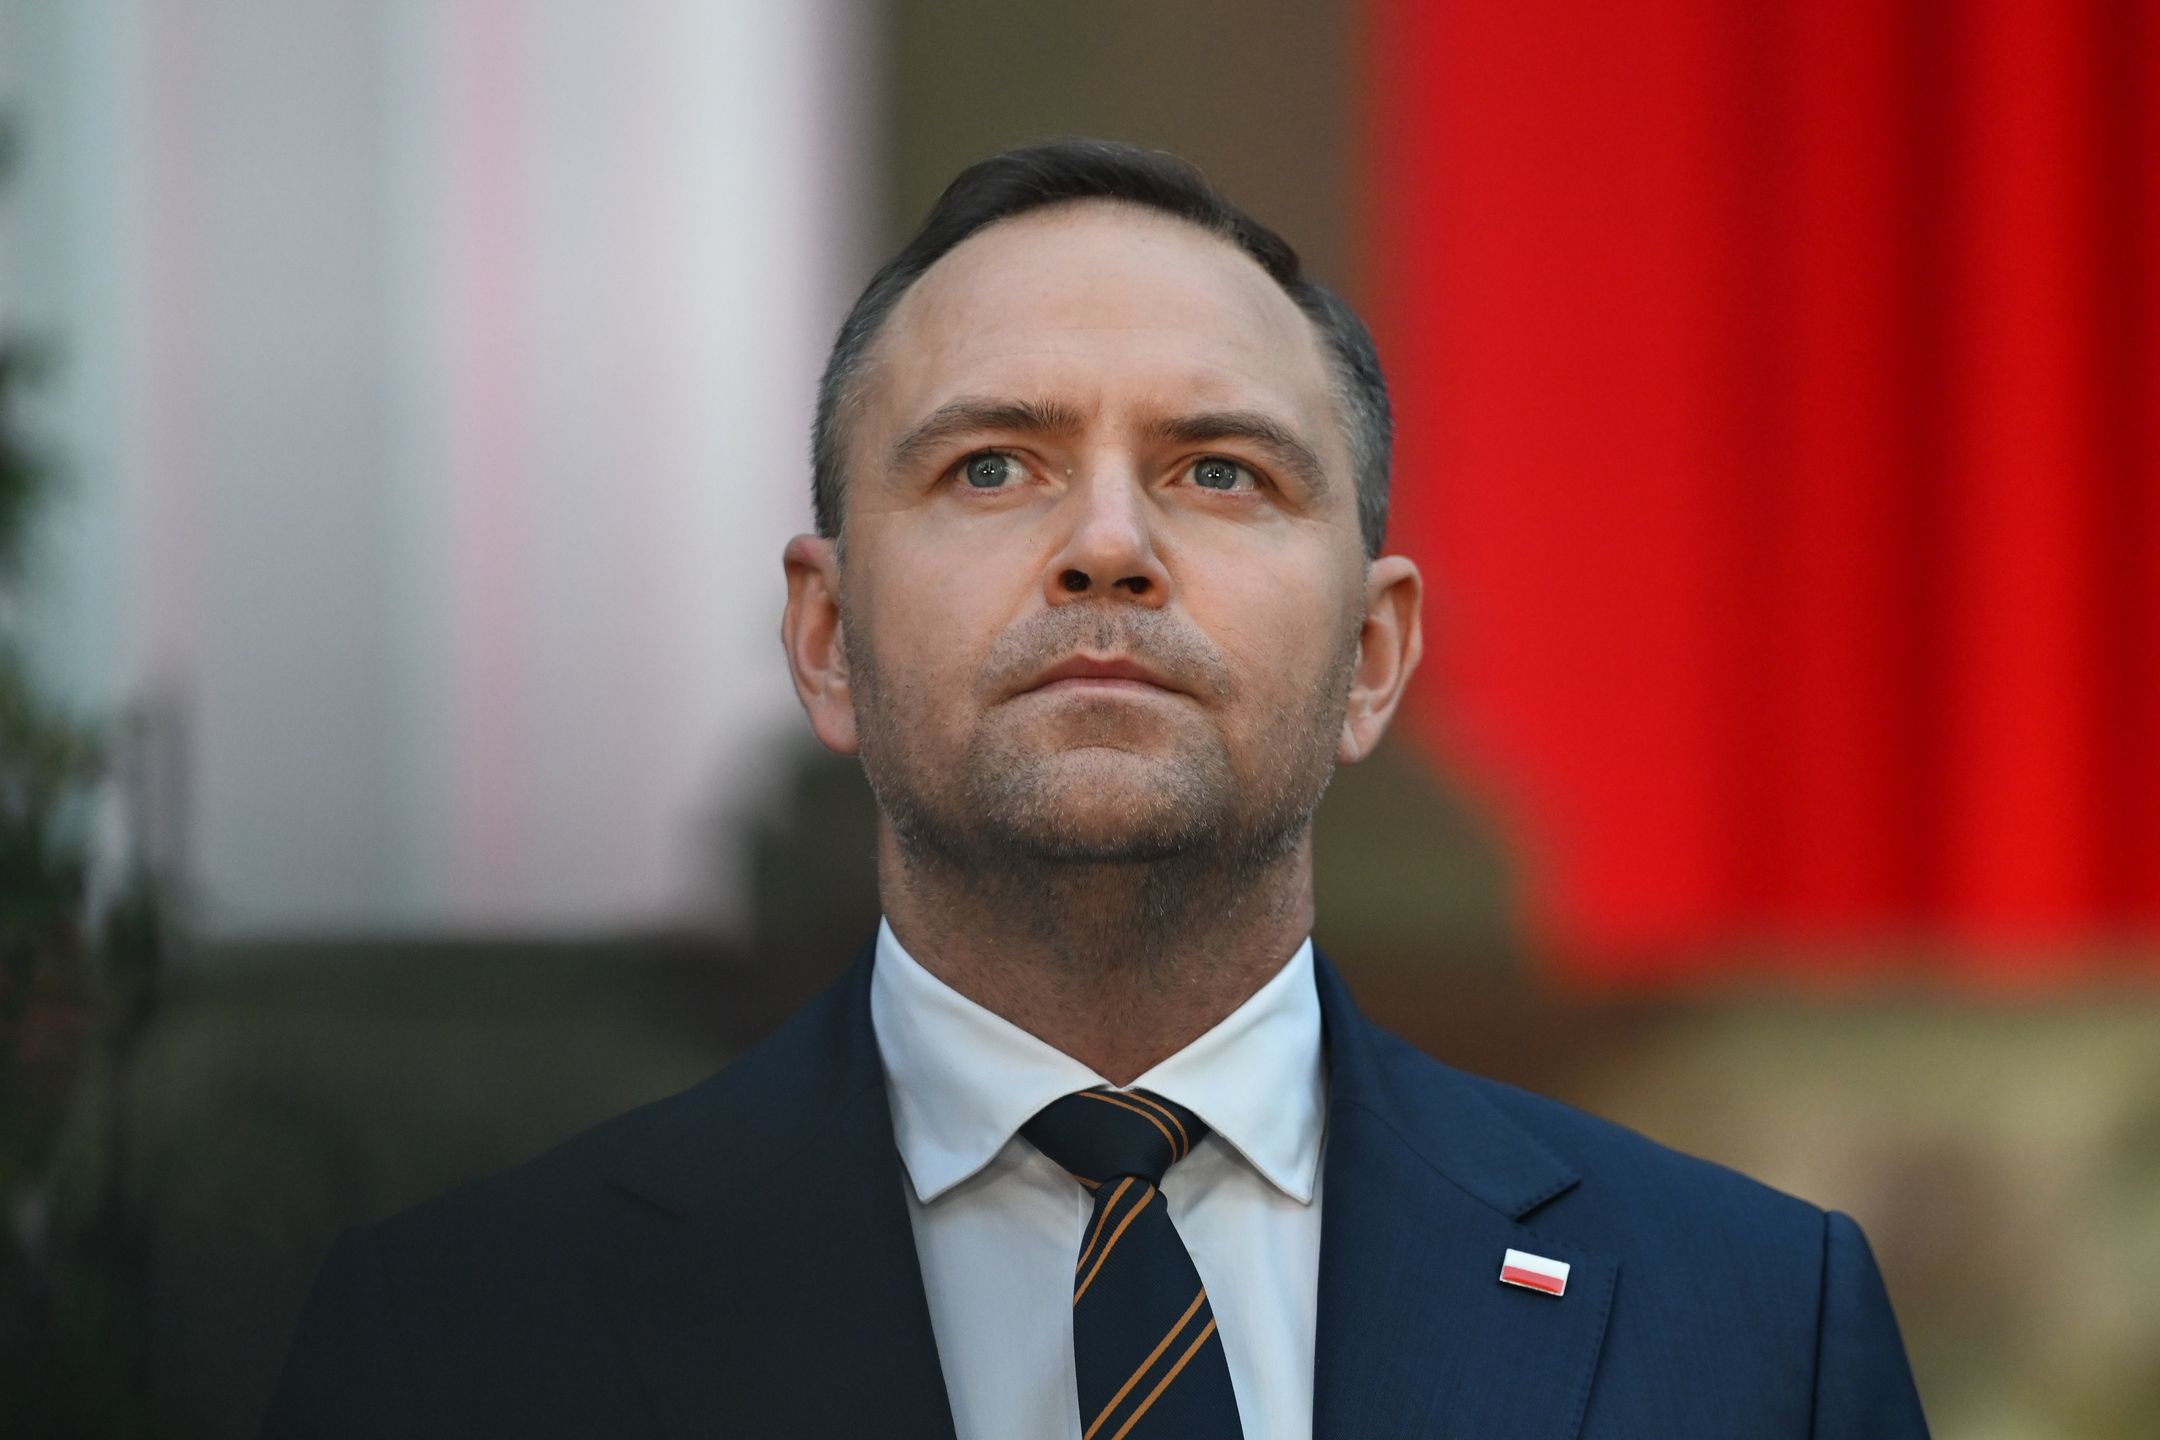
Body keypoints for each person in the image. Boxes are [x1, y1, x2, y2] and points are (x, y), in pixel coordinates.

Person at [263, 138, 1930, 1439]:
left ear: (1371, 659)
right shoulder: (455, 1343)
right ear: (827, 640)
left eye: (1220, 469)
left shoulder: (1755, 1329)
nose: (1110, 546)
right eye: (993, 465)